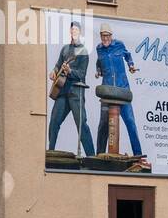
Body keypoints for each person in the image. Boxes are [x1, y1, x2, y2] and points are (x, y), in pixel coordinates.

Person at [95, 23, 144, 157]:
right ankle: (99, 154)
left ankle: (138, 156)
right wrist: (98, 71)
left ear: (111, 36)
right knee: (103, 124)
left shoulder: (119, 45)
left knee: (130, 122)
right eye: (102, 36)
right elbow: (99, 62)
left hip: (122, 91)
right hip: (107, 92)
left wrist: (131, 66)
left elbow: (128, 55)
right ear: (100, 36)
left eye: (107, 36)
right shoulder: (99, 49)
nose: (105, 38)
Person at [47, 22, 95, 156]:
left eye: (76, 30)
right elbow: (58, 65)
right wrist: (54, 72)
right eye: (72, 29)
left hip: (76, 92)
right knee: (54, 122)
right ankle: (50, 153)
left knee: (82, 125)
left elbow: (82, 74)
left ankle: (91, 157)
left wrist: (70, 71)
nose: (74, 32)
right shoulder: (65, 49)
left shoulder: (83, 51)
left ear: (80, 33)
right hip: (62, 91)